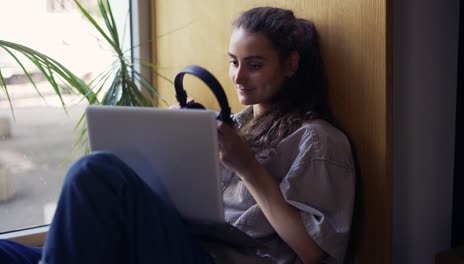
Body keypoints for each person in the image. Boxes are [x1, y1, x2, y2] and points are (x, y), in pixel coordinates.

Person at [0, 6, 355, 264]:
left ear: (291, 64)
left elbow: (313, 249)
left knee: (94, 171)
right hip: (173, 241)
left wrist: (248, 167)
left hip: (217, 257)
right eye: (234, 61)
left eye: (255, 65)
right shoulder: (232, 124)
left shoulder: (318, 139)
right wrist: (169, 144)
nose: (238, 77)